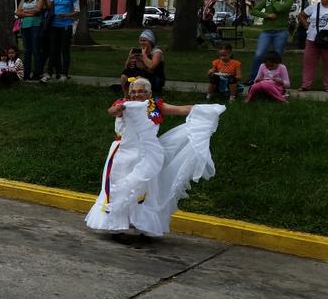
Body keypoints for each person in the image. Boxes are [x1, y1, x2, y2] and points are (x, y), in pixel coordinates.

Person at [85, 77, 225, 238]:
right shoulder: (123, 104)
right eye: (133, 91)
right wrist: (117, 110)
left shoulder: (156, 106)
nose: (137, 94)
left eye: (141, 91)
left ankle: (142, 225)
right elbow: (111, 111)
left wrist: (208, 110)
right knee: (119, 186)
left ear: (149, 93)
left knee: (145, 189)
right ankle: (115, 225)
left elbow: (182, 110)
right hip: (123, 153)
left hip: (148, 154)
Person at [247, 0, 294, 85]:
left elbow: (279, 9)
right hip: (266, 31)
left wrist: (273, 0)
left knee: (277, 56)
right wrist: (267, 15)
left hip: (281, 32)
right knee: (259, 54)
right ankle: (254, 78)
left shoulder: (288, 0)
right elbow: (254, 11)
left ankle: (276, 80)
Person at [296, 0, 328, 93]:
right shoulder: (315, 6)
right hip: (312, 39)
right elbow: (301, 15)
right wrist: (307, 26)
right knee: (309, 62)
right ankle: (306, 85)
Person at [43, 0, 79, 82]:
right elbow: (50, 7)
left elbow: (77, 11)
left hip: (66, 25)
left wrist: (66, 15)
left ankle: (64, 74)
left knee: (65, 50)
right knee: (53, 49)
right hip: (54, 25)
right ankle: (50, 73)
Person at [120, 29, 166, 94]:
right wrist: (130, 58)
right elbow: (126, 67)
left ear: (151, 41)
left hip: (155, 78)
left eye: (144, 41)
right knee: (124, 75)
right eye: (140, 40)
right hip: (140, 74)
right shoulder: (138, 51)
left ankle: (138, 93)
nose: (142, 42)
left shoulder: (157, 52)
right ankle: (126, 95)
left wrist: (144, 55)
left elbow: (152, 66)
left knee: (139, 77)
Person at [16, 0, 45, 80]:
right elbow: (18, 12)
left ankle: (37, 73)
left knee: (36, 50)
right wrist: (30, 13)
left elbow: (38, 10)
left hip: (35, 26)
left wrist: (24, 12)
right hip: (25, 26)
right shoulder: (23, 0)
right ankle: (26, 73)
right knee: (27, 50)